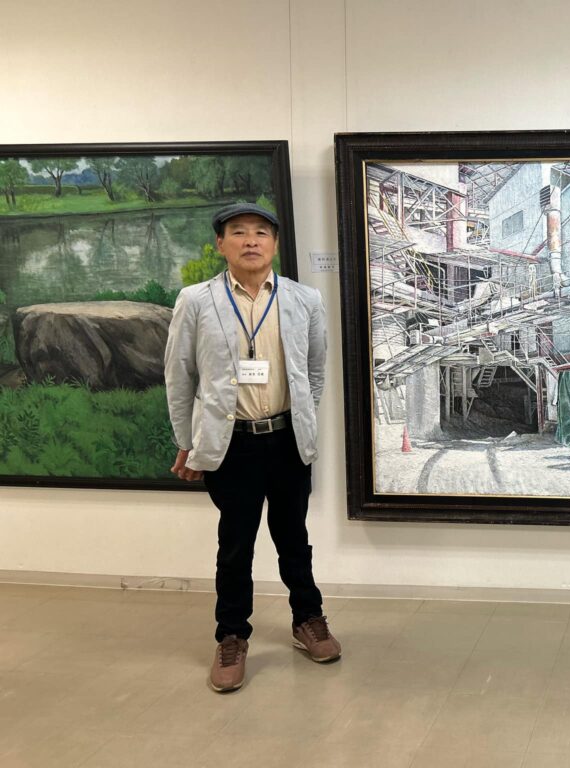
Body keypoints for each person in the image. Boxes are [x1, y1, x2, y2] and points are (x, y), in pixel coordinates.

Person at [164, 202, 341, 693]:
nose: (250, 241)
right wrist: (186, 442)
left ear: (275, 244)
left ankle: (308, 619)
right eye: (238, 232)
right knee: (236, 545)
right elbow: (179, 377)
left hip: (286, 441)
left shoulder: (304, 299)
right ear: (220, 244)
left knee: (294, 539)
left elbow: (314, 371)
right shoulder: (196, 300)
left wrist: (301, 420)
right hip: (232, 445)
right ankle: (231, 636)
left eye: (261, 233)